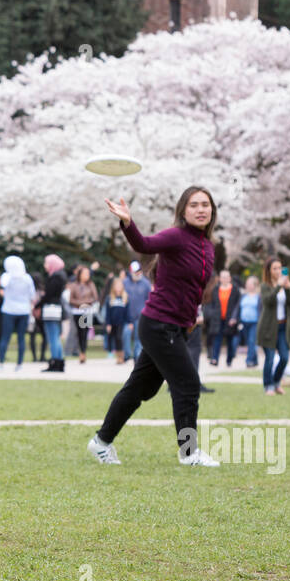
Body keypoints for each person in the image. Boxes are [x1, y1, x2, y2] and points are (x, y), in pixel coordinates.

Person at [88, 186, 221, 468]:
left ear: (212, 210)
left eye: (205, 205)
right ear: (183, 211)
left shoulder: (208, 246)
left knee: (139, 389)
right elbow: (144, 245)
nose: (200, 209)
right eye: (194, 205)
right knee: (187, 384)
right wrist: (127, 222)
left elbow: (194, 287)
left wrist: (192, 315)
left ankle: (100, 443)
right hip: (158, 325)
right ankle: (189, 453)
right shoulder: (175, 236)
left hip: (175, 327)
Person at [258, 258, 290, 396]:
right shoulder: (265, 286)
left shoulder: (284, 284)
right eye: (274, 268)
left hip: (283, 327)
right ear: (269, 270)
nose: (278, 271)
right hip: (268, 328)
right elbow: (268, 301)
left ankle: (276, 382)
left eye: (280, 268)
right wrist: (278, 287)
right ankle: (268, 386)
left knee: (285, 358)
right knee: (269, 358)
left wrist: (288, 288)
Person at [0, 255, 34, 369]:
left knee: (5, 337)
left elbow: (2, 286)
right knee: (21, 338)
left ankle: (1, 362)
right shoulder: (27, 278)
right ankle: (19, 363)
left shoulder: (6, 277)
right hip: (24, 310)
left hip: (9, 310)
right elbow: (32, 295)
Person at [39, 255, 67, 372]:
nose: (45, 266)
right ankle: (59, 361)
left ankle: (55, 361)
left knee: (52, 337)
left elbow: (48, 295)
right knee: (55, 336)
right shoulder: (61, 276)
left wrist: (37, 305)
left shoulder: (54, 278)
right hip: (57, 308)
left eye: (46, 263)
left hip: (51, 309)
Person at [207, 269, 240, 367]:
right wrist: (212, 314)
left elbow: (237, 305)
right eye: (222, 277)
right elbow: (212, 304)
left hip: (230, 320)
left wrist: (235, 318)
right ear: (220, 279)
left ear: (229, 278)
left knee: (230, 340)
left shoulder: (235, 290)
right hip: (218, 319)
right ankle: (215, 359)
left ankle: (229, 359)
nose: (224, 279)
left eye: (226, 277)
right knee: (217, 339)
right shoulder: (215, 289)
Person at [69, 264, 98, 365]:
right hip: (77, 312)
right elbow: (71, 299)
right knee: (79, 332)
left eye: (88, 273)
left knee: (85, 332)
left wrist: (85, 302)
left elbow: (95, 298)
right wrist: (79, 303)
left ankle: (83, 352)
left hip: (87, 311)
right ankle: (80, 351)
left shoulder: (91, 285)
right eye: (85, 273)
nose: (87, 275)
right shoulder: (74, 285)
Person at [124, 261, 151, 362]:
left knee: (138, 337)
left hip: (141, 315)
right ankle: (126, 355)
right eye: (136, 272)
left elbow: (149, 299)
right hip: (127, 316)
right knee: (125, 335)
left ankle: (137, 357)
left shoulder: (146, 283)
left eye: (139, 271)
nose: (138, 273)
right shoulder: (125, 282)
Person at [105, 274, 129, 366]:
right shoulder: (110, 298)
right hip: (113, 323)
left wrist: (129, 322)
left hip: (122, 323)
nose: (118, 287)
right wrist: (108, 324)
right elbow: (108, 313)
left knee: (120, 338)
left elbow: (127, 311)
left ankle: (121, 357)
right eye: (116, 286)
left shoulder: (125, 297)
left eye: (120, 285)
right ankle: (118, 356)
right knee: (115, 339)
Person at [238, 275, 261, 366]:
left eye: (249, 284)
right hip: (244, 322)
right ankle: (255, 360)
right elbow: (238, 308)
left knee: (252, 341)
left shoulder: (259, 296)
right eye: (247, 284)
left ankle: (249, 361)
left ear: (254, 285)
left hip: (254, 322)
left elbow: (261, 309)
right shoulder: (243, 296)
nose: (247, 285)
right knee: (249, 342)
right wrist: (234, 318)